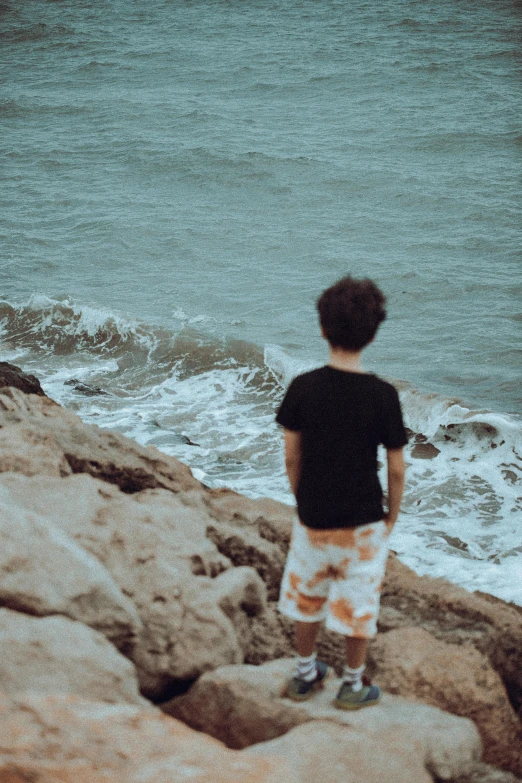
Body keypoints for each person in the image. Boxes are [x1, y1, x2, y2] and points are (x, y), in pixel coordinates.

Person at [276, 275, 407, 710]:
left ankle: (304, 672)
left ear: (322, 328)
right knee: (358, 604)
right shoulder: (383, 395)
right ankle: (352, 683)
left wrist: (302, 500)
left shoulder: (302, 388)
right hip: (363, 520)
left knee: (308, 596)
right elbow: (396, 467)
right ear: (373, 333)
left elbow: (292, 458)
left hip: (313, 517)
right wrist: (391, 516)